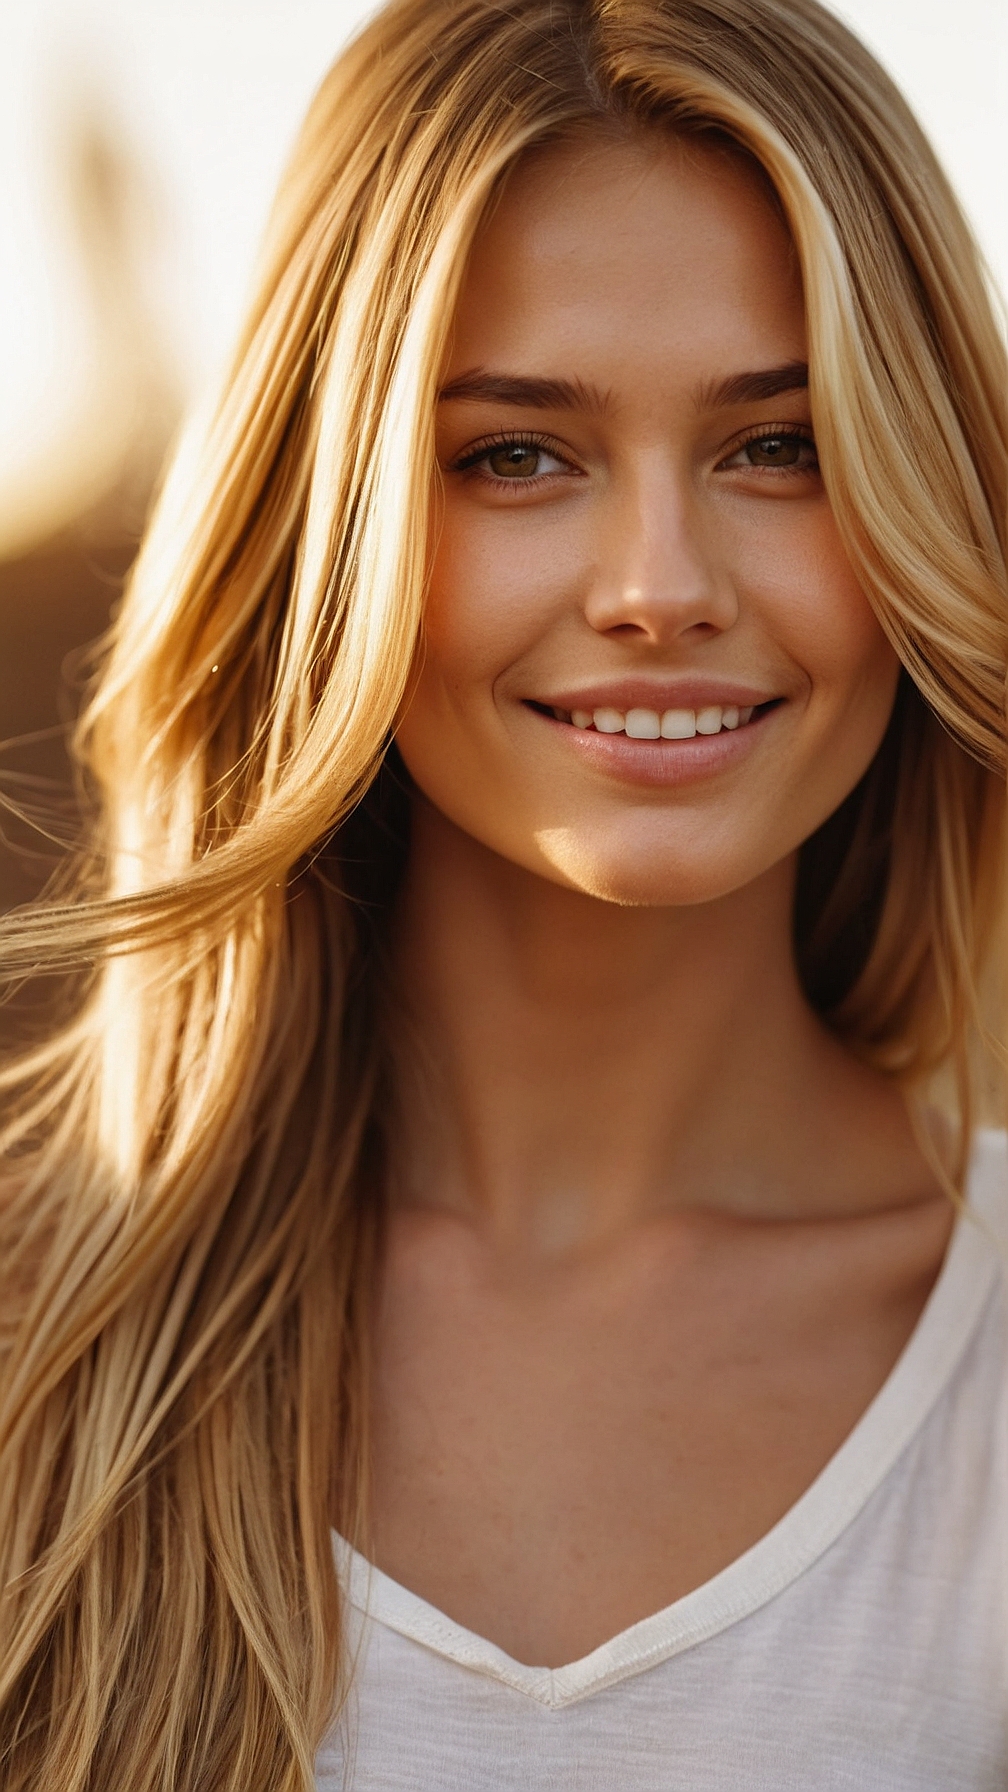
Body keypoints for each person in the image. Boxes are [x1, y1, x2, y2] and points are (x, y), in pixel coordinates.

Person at [1, 0, 1006, 1786]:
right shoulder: (41, 1340)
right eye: (515, 455)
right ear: (326, 528)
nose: (657, 585)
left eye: (779, 445)